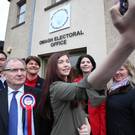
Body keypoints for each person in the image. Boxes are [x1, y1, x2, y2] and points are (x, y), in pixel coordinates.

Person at [39, 0, 135, 135]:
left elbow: (91, 103)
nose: (66, 64)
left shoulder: (69, 84)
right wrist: (127, 42)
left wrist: (86, 123)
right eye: (60, 62)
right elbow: (84, 89)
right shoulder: (56, 87)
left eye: (67, 61)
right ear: (52, 67)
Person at [0, 58, 41, 135]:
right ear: (4, 74)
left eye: (22, 70)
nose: (20, 74)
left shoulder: (39, 95)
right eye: (14, 70)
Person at [73, 54, 106, 135]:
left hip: (95, 122)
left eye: (88, 62)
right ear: (79, 66)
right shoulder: (74, 83)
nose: (85, 64)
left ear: (92, 66)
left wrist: (102, 132)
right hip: (80, 122)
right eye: (83, 62)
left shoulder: (99, 82)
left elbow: (102, 108)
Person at [106, 60, 135, 135]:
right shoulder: (110, 90)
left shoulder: (132, 91)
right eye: (115, 69)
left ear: (128, 70)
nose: (117, 72)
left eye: (121, 69)